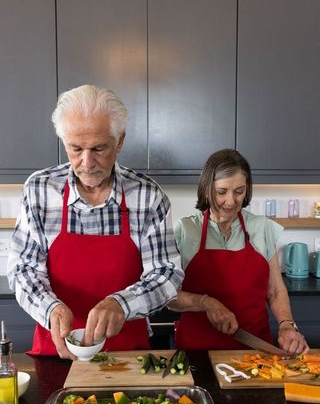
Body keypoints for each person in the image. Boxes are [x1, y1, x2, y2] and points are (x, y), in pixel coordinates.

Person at [7, 85, 183, 359]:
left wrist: (121, 304)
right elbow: (22, 270)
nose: (87, 162)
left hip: (127, 358)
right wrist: (50, 308)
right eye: (75, 148)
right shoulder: (39, 190)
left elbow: (167, 274)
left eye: (99, 148)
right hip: (57, 352)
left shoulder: (148, 196)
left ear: (119, 141)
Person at [169, 149, 309, 356]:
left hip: (254, 350)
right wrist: (205, 303)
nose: (231, 201)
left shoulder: (262, 228)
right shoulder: (185, 230)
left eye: (239, 191)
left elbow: (276, 290)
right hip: (197, 352)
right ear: (207, 189)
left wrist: (287, 325)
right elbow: (168, 296)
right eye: (221, 192)